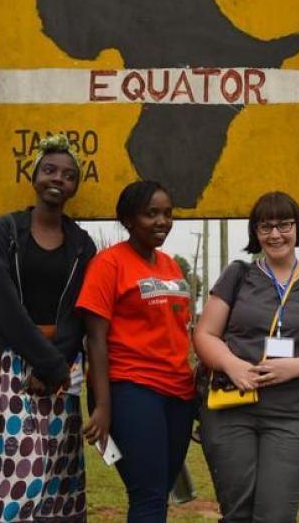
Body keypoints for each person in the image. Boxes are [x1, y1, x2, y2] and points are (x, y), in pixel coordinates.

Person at [0, 135, 97, 522]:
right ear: (33, 175)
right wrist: (46, 364)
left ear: (75, 187)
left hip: (60, 366)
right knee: (18, 468)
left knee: (55, 469)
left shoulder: (82, 244)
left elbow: (78, 312)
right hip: (9, 363)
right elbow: (2, 305)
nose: (58, 179)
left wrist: (55, 367)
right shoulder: (4, 232)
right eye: (50, 170)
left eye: (69, 175)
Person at [194, 191, 299, 522]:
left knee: (275, 515)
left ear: (297, 228)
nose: (275, 234)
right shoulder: (238, 275)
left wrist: (295, 368)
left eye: (284, 225)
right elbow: (204, 335)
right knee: (237, 514)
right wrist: (233, 365)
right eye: (265, 227)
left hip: (290, 415)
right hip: (231, 410)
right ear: (255, 233)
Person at [76, 180, 195, 523]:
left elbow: (178, 330)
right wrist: (102, 406)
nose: (162, 221)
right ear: (129, 219)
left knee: (161, 492)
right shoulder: (108, 264)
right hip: (131, 389)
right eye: (151, 214)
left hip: (178, 394)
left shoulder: (171, 266)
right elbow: (95, 340)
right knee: (148, 495)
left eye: (168, 214)